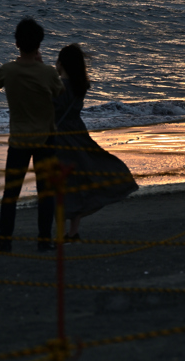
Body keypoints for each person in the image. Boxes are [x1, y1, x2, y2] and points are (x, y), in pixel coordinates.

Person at [0, 17, 64, 253]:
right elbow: (60, 95)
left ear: (17, 43)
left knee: (11, 192)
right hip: (46, 139)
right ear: (39, 44)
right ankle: (44, 240)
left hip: (19, 140)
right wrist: (41, 65)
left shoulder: (7, 70)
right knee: (46, 192)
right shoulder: (49, 73)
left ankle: (5, 241)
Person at [52, 44, 137, 241]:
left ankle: (60, 232)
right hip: (79, 134)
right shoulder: (80, 86)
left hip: (60, 138)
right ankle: (72, 232)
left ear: (61, 63)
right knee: (81, 181)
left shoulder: (58, 87)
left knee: (60, 186)